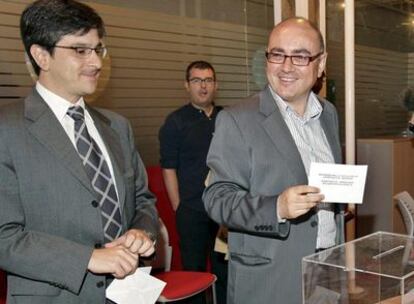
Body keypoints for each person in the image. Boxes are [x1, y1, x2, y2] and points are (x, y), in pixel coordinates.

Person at [0, 1, 158, 303]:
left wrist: (142, 232)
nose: (96, 62)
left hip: (129, 293)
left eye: (97, 49)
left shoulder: (117, 126)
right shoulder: (7, 130)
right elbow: (4, 236)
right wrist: (87, 258)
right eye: (80, 50)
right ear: (41, 55)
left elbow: (143, 200)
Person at [203, 17, 345, 304]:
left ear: (320, 63)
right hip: (270, 279)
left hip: (328, 267)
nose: (286, 66)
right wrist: (277, 207)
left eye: (301, 56)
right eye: (277, 54)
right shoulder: (237, 119)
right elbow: (216, 199)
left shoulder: (328, 113)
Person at [159, 61, 227, 304]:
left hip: (223, 209)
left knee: (224, 270)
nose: (203, 86)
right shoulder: (175, 122)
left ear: (215, 85)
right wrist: (179, 206)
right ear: (187, 85)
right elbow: (168, 168)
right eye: (197, 80)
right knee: (194, 274)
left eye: (208, 80)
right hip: (192, 209)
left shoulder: (226, 118)